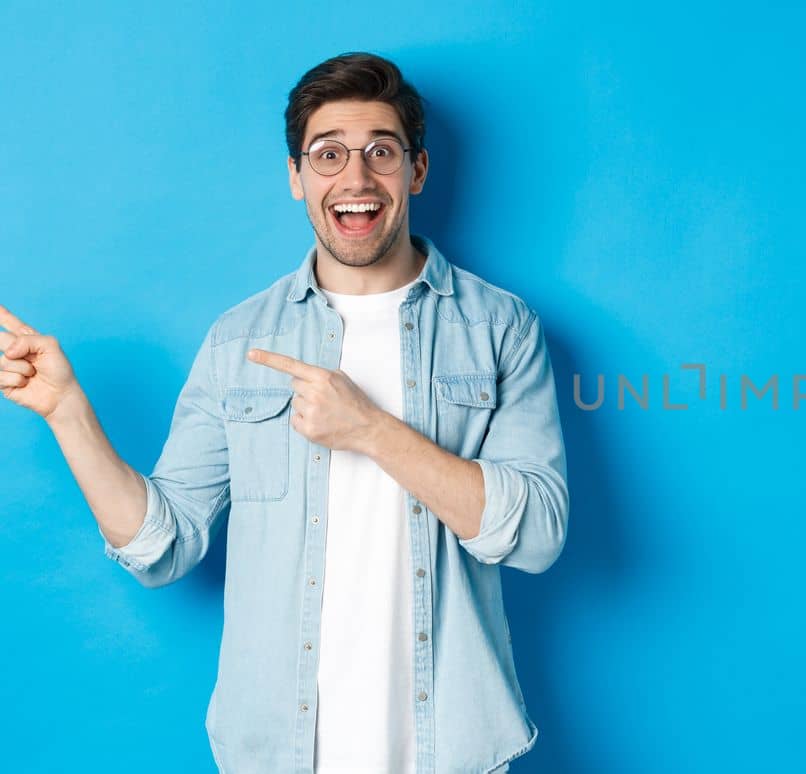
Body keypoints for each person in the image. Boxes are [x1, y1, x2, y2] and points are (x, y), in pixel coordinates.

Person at [0, 51, 568, 774]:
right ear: (296, 177)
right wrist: (66, 411)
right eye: (328, 155)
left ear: (416, 172)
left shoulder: (500, 328)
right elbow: (162, 546)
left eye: (380, 153)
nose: (355, 179)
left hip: (449, 750)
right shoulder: (241, 340)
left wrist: (372, 430)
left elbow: (541, 533)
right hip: (278, 754)